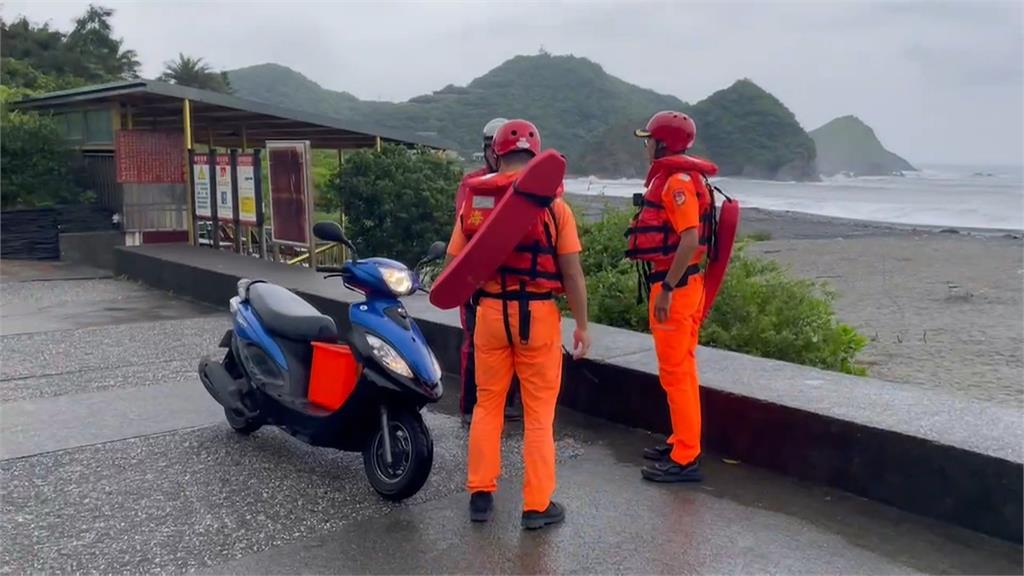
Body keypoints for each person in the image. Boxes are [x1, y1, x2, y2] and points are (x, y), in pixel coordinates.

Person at [444, 119, 591, 529]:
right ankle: (536, 505)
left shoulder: (477, 201)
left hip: (489, 313)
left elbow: (455, 264)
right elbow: (573, 273)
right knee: (538, 414)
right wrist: (581, 325)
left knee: (487, 404)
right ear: (536, 153)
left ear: (498, 153)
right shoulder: (554, 207)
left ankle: (480, 494)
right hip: (538, 316)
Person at [627, 111, 716, 483]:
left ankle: (685, 458)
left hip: (675, 289)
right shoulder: (682, 178)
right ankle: (682, 440)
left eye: (649, 139)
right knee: (679, 372)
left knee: (677, 374)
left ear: (662, 143)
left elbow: (690, 239)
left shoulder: (676, 182)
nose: (646, 145)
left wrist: (665, 288)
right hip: (686, 286)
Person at [455, 118, 524, 427]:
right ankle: (471, 406)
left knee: (519, 343)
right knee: (474, 343)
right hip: (476, 279)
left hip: (515, 281)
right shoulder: (473, 184)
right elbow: (463, 228)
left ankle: (510, 403)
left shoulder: (527, 184)